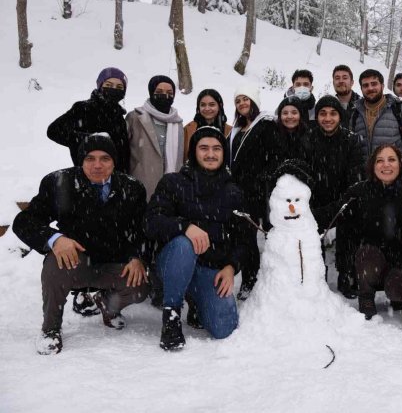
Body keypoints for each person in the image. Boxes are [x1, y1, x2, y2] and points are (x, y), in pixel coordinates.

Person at [13, 134, 149, 355]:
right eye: (90, 158)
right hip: (75, 261)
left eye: (105, 158)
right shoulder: (59, 183)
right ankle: (50, 329)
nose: (97, 165)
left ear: (114, 161)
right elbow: (25, 221)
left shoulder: (132, 188)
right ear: (80, 161)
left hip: (113, 263)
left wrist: (137, 257)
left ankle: (107, 305)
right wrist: (55, 239)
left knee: (140, 284)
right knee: (54, 265)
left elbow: (140, 230)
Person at [146, 126, 252, 351]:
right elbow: (151, 221)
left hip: (209, 267)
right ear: (193, 151)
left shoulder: (233, 192)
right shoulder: (173, 182)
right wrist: (184, 227)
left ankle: (196, 300)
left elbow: (245, 238)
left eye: (216, 148)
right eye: (203, 148)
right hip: (172, 262)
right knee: (186, 245)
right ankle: (172, 315)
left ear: (224, 154)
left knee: (224, 327)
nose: (210, 154)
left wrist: (232, 267)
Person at [47, 67, 132, 316]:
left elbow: (122, 149)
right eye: (110, 84)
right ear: (99, 85)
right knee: (83, 231)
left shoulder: (119, 114)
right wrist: (85, 140)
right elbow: (54, 130)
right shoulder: (83, 107)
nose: (114, 90)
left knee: (109, 232)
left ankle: (103, 286)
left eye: (119, 87)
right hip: (83, 181)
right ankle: (81, 289)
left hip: (112, 180)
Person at [319, 144, 402, 319]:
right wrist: (301, 214)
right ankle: (366, 296)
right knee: (367, 254)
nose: (386, 165)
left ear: (400, 164)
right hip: (372, 257)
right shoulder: (360, 191)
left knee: (398, 287)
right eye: (380, 161)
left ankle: (397, 296)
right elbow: (333, 213)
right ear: (372, 166)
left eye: (391, 160)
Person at [308, 95, 365, 297]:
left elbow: (355, 180)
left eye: (333, 113)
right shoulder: (308, 138)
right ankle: (315, 274)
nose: (328, 118)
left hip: (343, 200)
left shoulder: (351, 140)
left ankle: (346, 273)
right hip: (313, 200)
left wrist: (339, 206)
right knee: (309, 228)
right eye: (323, 113)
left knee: (350, 223)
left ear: (340, 117)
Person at [227, 85, 277, 299]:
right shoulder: (236, 129)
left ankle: (271, 280)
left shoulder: (266, 124)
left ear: (254, 102)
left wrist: (262, 178)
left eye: (246, 99)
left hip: (260, 190)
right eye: (238, 101)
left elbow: (272, 155)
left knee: (267, 235)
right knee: (246, 238)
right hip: (239, 191)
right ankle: (249, 278)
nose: (242, 104)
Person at [350, 69, 402, 177]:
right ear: (361, 88)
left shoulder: (400, 110)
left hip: (395, 179)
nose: (370, 88)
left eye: (374, 84)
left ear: (382, 86)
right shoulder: (355, 114)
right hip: (367, 182)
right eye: (366, 85)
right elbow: (353, 150)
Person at [126, 75, 184, 200]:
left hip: (170, 187)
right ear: (151, 93)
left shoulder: (177, 123)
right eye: (159, 92)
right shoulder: (135, 117)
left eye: (169, 93)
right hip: (141, 185)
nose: (165, 96)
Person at [183, 89, 230, 162]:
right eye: (203, 105)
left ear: (220, 106)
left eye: (212, 104)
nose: (207, 108)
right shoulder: (188, 130)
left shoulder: (230, 131)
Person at [275, 96, 311, 163]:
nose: (289, 117)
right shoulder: (272, 137)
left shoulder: (310, 137)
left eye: (294, 113)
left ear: (300, 115)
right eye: (285, 113)